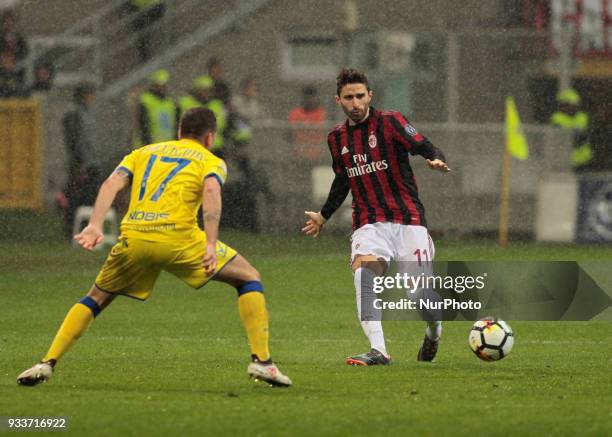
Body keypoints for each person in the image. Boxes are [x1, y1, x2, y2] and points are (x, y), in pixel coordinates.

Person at [17, 107, 292, 388]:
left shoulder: (143, 152)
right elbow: (211, 192)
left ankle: (46, 362)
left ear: (178, 132)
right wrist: (210, 242)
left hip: (135, 236)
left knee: (96, 297)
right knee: (248, 277)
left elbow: (111, 184)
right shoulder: (212, 160)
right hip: (180, 239)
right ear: (210, 138)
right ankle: (262, 362)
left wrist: (96, 224)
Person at [302, 68, 450, 366]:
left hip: (409, 221)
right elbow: (343, 180)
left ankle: (434, 332)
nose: (355, 103)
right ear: (338, 100)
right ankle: (378, 350)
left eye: (360, 96)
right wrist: (323, 215)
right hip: (369, 222)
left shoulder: (391, 122)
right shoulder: (337, 138)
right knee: (363, 275)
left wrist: (435, 158)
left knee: (419, 296)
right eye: (348, 98)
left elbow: (423, 144)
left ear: (370, 95)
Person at [58, 83, 101, 240]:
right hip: (82, 165)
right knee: (77, 199)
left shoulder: (86, 113)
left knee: (89, 199)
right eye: (89, 94)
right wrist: (80, 164)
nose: (92, 98)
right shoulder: (74, 114)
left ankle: (84, 229)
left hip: (90, 163)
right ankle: (72, 232)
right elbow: (74, 142)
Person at [178, 75, 227, 155]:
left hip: (215, 147)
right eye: (204, 90)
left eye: (209, 90)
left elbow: (223, 125)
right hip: (193, 147)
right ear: (198, 90)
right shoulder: (186, 103)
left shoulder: (217, 105)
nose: (206, 93)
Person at [550, 88, 593, 171]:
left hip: (585, 160)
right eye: (568, 105)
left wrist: (579, 136)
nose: (572, 108)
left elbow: (587, 135)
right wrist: (577, 135)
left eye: (574, 105)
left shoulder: (583, 117)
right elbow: (561, 139)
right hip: (566, 161)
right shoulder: (557, 118)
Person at [134, 69, 177, 148]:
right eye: (159, 85)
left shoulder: (169, 102)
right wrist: (147, 143)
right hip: (149, 145)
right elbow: (143, 124)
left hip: (166, 146)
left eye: (164, 85)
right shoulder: (146, 100)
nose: (162, 88)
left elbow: (174, 125)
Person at [288, 86, 327, 160]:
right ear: (303, 98)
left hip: (318, 154)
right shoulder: (295, 113)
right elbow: (291, 132)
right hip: (298, 154)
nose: (310, 100)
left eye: (312, 98)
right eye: (307, 98)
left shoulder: (322, 113)